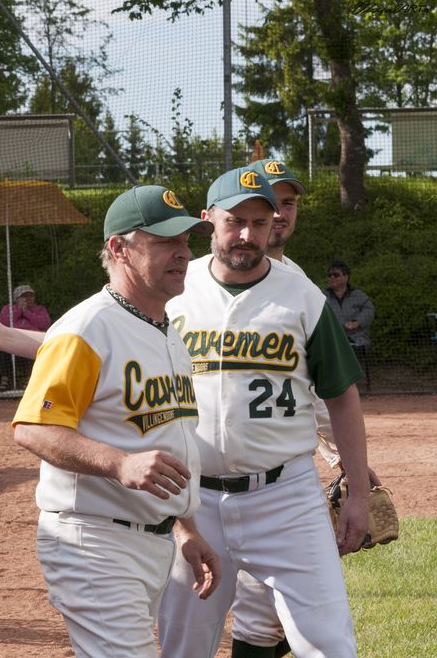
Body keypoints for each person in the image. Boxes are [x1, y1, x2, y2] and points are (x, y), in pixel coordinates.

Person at [0, 185, 217, 657]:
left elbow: (169, 437)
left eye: (185, 241)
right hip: (93, 541)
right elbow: (33, 427)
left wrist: (185, 525)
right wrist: (119, 463)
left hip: (150, 542)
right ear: (119, 249)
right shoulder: (86, 328)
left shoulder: (166, 331)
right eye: (164, 241)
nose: (183, 253)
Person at [156, 165, 370, 658]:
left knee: (329, 644)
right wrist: (6, 338)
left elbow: (341, 397)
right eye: (235, 221)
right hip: (194, 500)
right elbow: (96, 339)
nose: (247, 234)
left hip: (285, 498)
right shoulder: (171, 290)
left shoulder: (304, 296)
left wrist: (358, 492)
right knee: (183, 647)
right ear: (208, 220)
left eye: (259, 221)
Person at [228, 160, 383, 658]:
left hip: (280, 482)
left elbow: (321, 390)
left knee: (267, 617)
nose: (279, 214)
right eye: (269, 204)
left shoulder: (299, 286)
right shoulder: (198, 281)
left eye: (288, 203)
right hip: (204, 484)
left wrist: (345, 459)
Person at [325, 260, 375, 388]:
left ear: (346, 277)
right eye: (329, 275)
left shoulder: (358, 295)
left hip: (356, 337)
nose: (332, 278)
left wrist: (357, 322)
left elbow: (369, 310)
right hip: (332, 336)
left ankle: (350, 383)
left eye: (336, 275)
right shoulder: (322, 296)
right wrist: (339, 325)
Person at [0, 284, 51, 391]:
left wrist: (26, 312)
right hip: (11, 340)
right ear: (16, 298)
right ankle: (5, 380)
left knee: (31, 348)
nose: (28, 298)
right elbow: (4, 322)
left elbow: (44, 324)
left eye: (31, 295)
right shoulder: (8, 309)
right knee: (2, 349)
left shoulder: (40, 309)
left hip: (31, 340)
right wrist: (19, 310)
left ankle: (29, 380)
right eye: (24, 296)